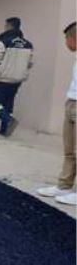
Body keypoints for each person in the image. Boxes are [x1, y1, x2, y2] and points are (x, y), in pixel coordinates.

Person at [37, 21, 77, 206]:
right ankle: (64, 186)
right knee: (69, 151)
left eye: (67, 40)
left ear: (74, 39)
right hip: (71, 104)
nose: (66, 44)